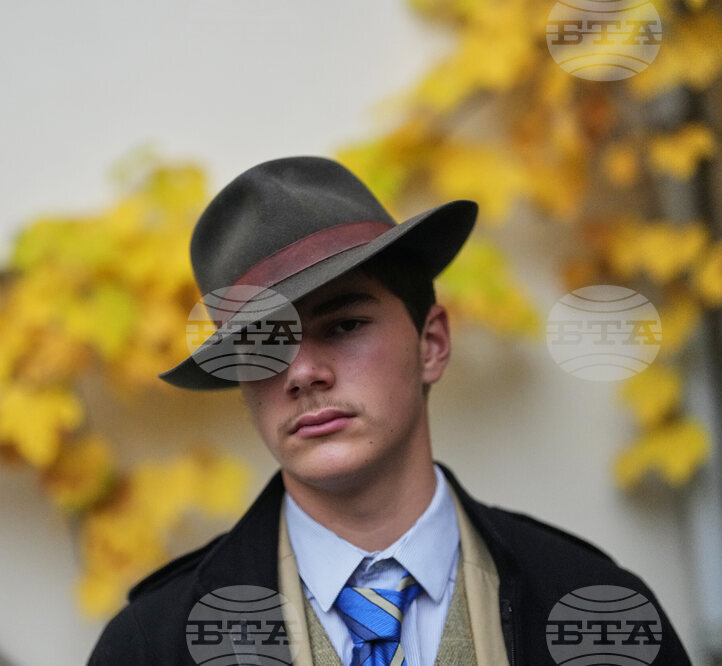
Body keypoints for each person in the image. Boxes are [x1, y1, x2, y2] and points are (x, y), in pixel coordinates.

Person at [88, 157, 690, 665]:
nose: (302, 372)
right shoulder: (150, 647)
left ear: (431, 344)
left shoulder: (596, 609)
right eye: (263, 345)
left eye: (344, 325)